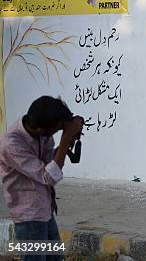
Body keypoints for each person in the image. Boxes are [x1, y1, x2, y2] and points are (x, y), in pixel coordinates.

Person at [0, 96, 83, 261]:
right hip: (29, 216)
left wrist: (71, 127)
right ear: (40, 130)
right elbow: (48, 176)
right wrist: (66, 140)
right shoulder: (12, 145)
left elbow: (47, 163)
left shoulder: (41, 130)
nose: (57, 134)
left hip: (45, 210)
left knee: (55, 258)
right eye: (56, 130)